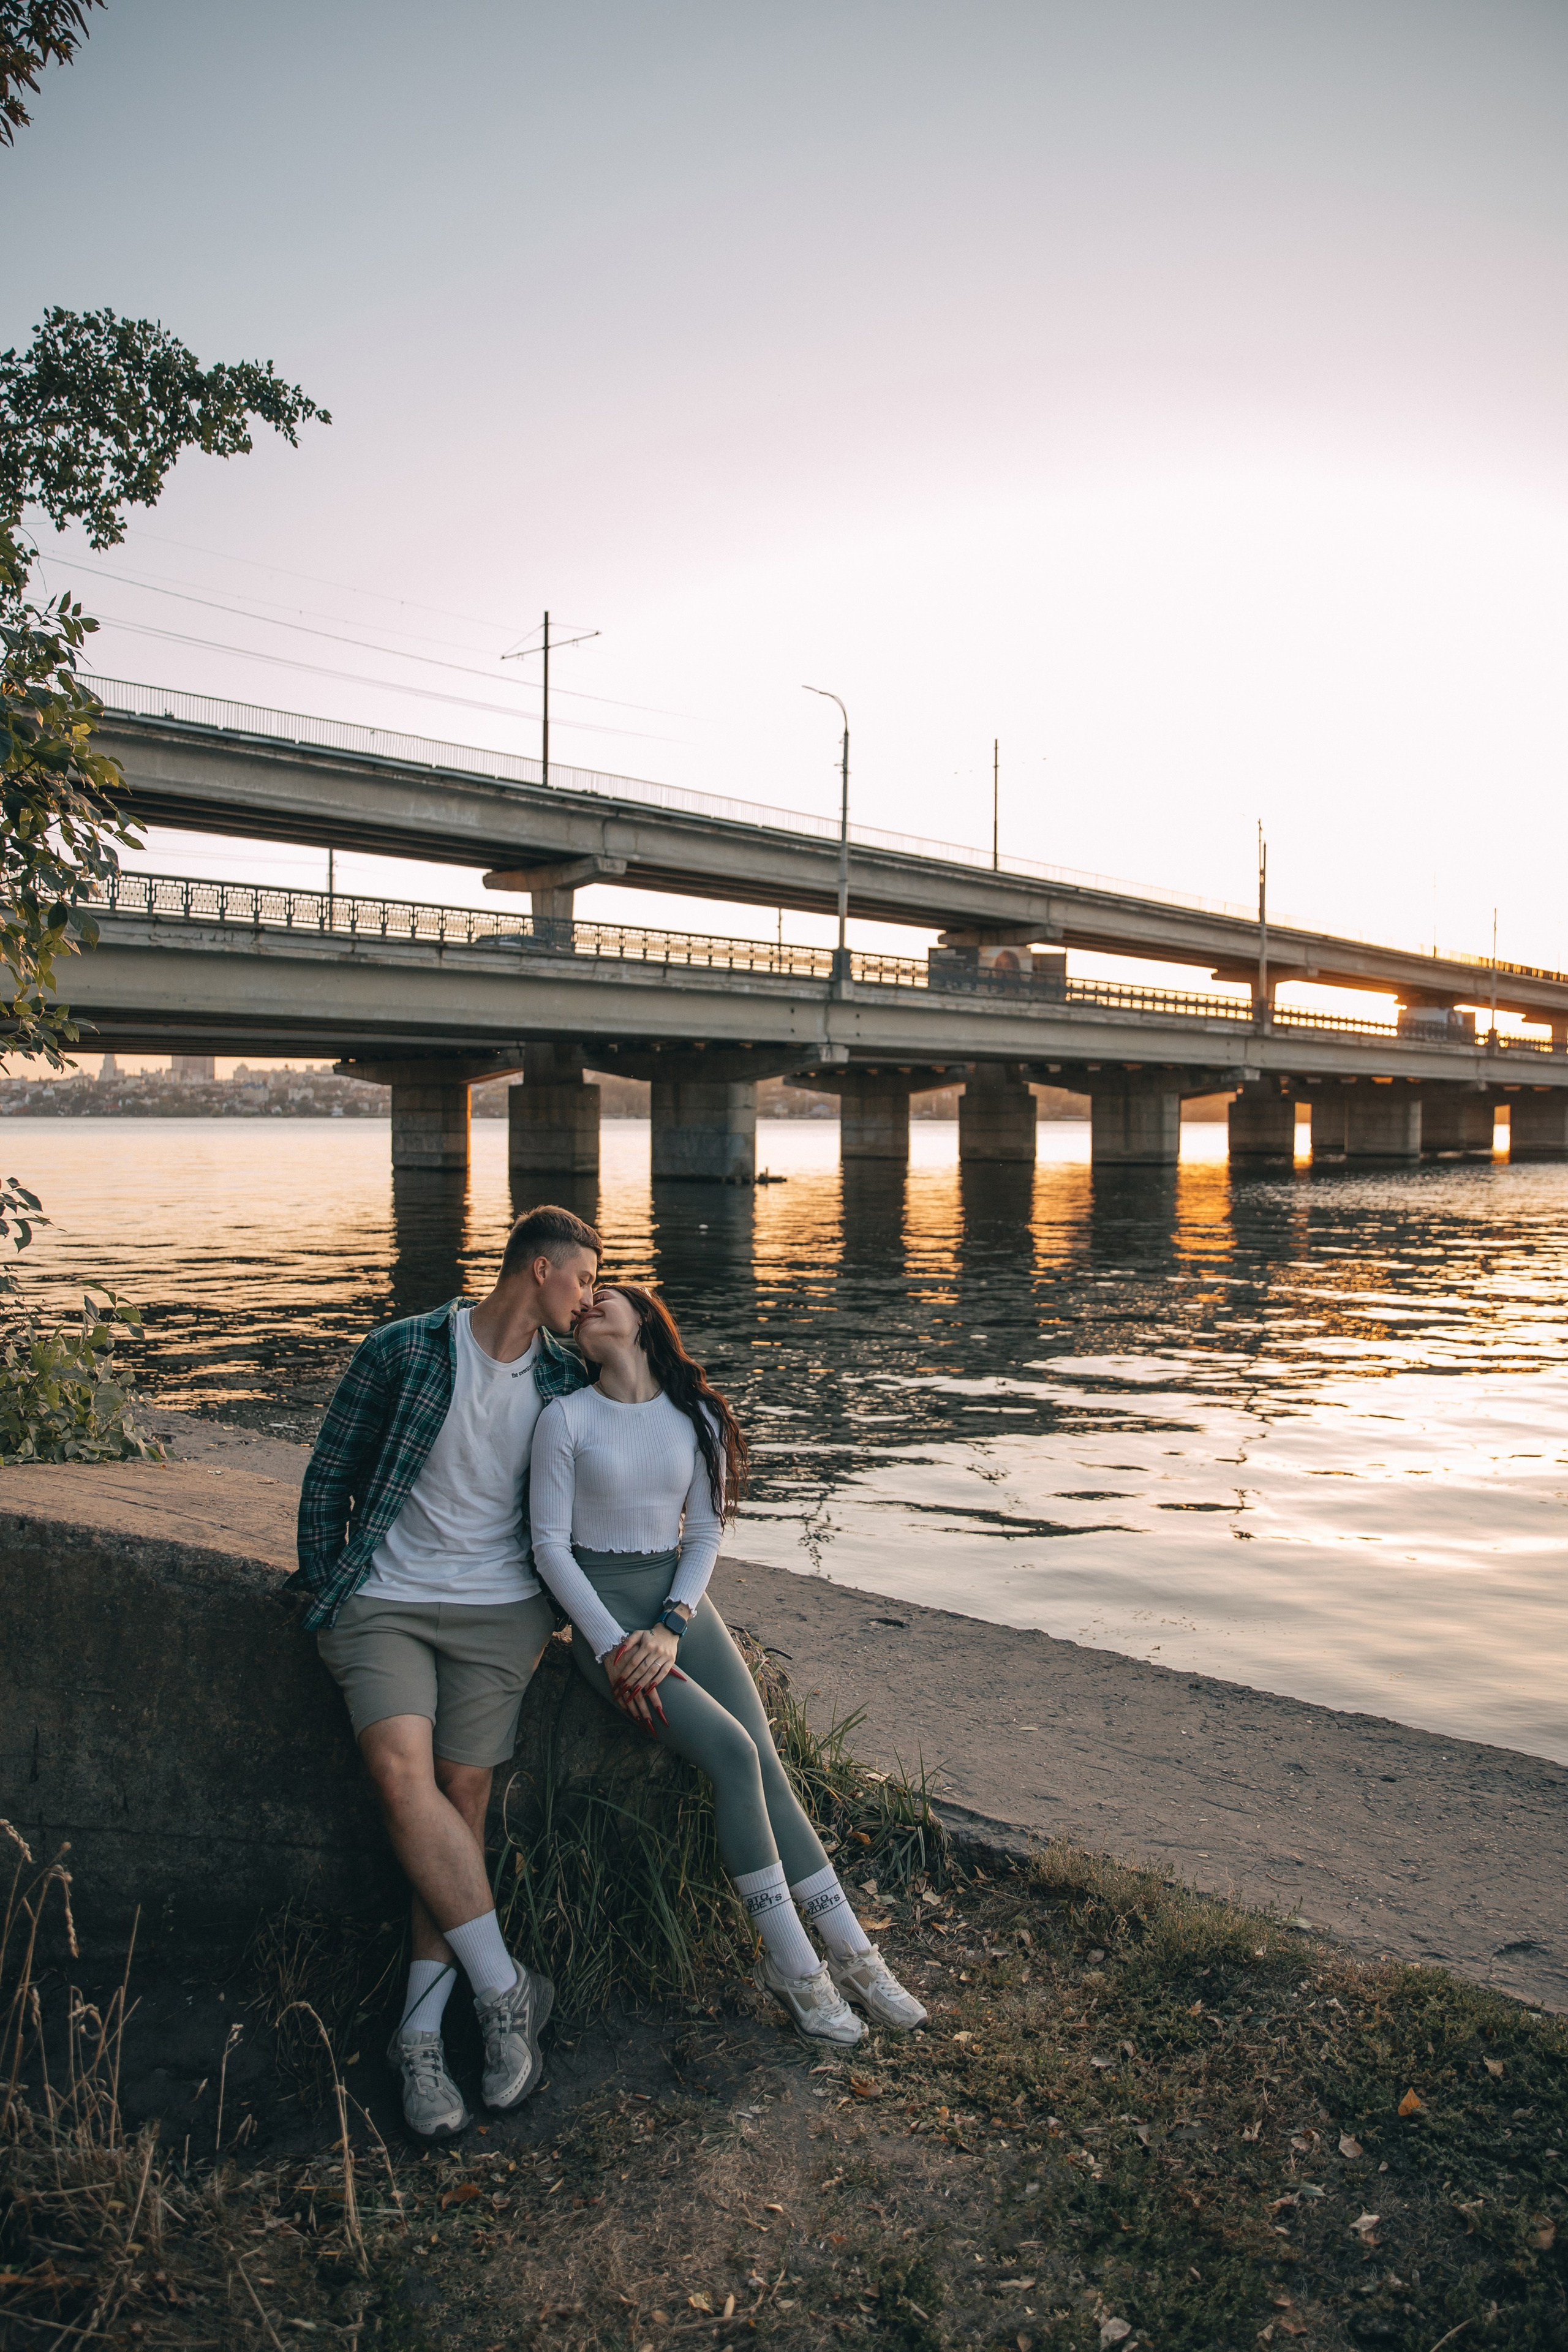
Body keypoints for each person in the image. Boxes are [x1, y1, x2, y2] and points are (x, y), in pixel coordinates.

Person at [529, 1281, 926, 2046]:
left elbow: (704, 1534)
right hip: (606, 1621)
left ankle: (855, 1954)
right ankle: (794, 1969)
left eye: (602, 1296)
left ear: (644, 1317)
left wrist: (674, 1623)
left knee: (767, 1765)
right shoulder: (564, 1417)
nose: (586, 1307)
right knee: (735, 1755)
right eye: (581, 1304)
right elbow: (550, 1547)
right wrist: (614, 1647)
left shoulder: (697, 1415)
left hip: (678, 1612)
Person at [292, 1202, 601, 2139]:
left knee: (463, 1797)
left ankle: (418, 2034)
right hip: (385, 1597)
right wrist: (328, 1590)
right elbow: (328, 1478)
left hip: (502, 1610)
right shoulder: (403, 1348)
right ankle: (507, 1990)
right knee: (400, 1777)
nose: (591, 1301)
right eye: (585, 1279)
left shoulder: (566, 1381)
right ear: (541, 1268)